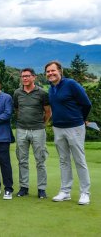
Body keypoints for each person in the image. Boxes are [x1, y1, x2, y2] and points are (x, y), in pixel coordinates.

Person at [45, 61, 92, 205]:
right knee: (64, 160)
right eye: (48, 72)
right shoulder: (51, 89)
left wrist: (81, 119)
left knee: (79, 160)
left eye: (53, 71)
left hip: (75, 127)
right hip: (58, 128)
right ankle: (65, 191)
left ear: (60, 71)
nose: (50, 73)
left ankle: (85, 193)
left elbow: (86, 104)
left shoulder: (70, 84)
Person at [13, 68, 51, 199]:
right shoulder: (17, 93)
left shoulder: (42, 93)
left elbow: (48, 112)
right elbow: (17, 110)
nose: (24, 78)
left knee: (40, 160)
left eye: (27, 76)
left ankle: (42, 189)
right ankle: (24, 187)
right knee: (22, 160)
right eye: (22, 76)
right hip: (21, 130)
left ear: (34, 77)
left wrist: (42, 125)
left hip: (38, 130)